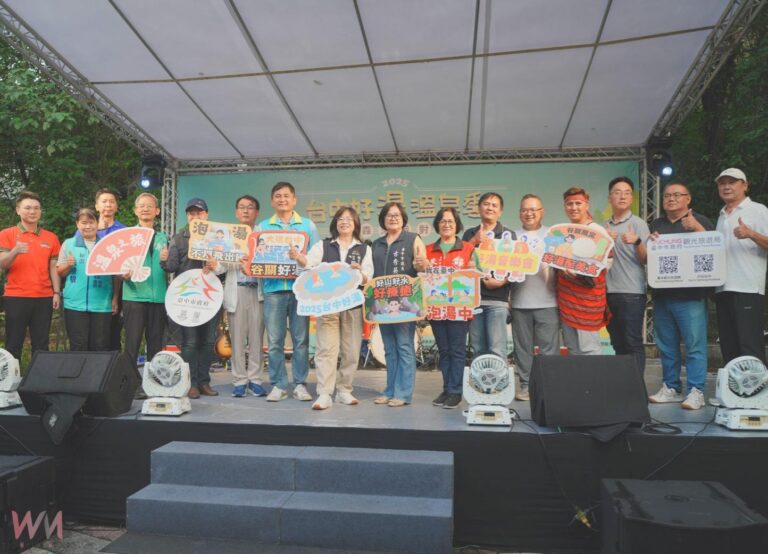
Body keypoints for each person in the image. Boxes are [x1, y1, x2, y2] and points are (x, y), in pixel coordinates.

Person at [294, 206, 373, 410]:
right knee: (326, 350)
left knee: (351, 350)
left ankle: (344, 390)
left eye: (348, 219)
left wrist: (359, 273)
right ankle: (324, 393)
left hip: (352, 305)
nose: (344, 222)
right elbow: (308, 264)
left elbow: (368, 278)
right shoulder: (324, 245)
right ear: (335, 223)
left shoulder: (364, 249)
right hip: (327, 305)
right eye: (340, 218)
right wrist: (298, 257)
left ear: (355, 224)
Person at [648, 182, 714, 410]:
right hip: (662, 294)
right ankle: (671, 387)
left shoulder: (700, 220)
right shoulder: (657, 224)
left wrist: (697, 228)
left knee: (695, 345)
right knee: (667, 346)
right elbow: (648, 256)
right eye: (667, 195)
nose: (671, 199)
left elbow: (713, 250)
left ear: (688, 198)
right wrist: (650, 242)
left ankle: (696, 391)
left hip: (691, 296)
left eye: (677, 195)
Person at [257, 182, 320, 402]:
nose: (282, 199)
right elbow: (255, 257)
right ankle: (278, 385)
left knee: (301, 340)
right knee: (274, 341)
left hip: (300, 290)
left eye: (286, 196)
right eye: (278, 196)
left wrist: (302, 259)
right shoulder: (262, 227)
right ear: (272, 201)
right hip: (273, 289)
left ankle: (300, 384)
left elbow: (316, 257)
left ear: (294, 200)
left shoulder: (308, 226)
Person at [161, 198, 224, 399]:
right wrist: (164, 260)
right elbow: (171, 267)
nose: (195, 216)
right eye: (191, 213)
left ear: (206, 215)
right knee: (189, 342)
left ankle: (204, 382)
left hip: (211, 297)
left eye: (199, 213)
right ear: (187, 216)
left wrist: (216, 266)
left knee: (208, 340)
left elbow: (225, 269)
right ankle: (191, 383)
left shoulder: (218, 237)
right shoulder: (179, 238)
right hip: (187, 298)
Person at [371, 202, 429, 407]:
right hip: (382, 303)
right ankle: (389, 390)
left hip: (406, 302)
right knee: (389, 348)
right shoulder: (376, 244)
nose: (393, 218)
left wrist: (422, 264)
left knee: (404, 346)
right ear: (383, 220)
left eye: (397, 215)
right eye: (389, 215)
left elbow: (423, 266)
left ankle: (403, 393)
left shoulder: (413, 239)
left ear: (403, 219)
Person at [714, 168, 768, 364]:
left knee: (749, 345)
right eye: (722, 183)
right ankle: (734, 384)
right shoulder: (722, 214)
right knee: (729, 345)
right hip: (722, 288)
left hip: (747, 288)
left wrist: (751, 234)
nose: (726, 187)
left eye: (732, 182)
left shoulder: (758, 210)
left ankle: (757, 384)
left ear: (744, 185)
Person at [426, 207, 478, 409]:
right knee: (444, 350)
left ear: (457, 225)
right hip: (437, 308)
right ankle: (447, 388)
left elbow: (479, 273)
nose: (446, 224)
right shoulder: (428, 250)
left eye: (451, 221)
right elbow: (421, 275)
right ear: (437, 224)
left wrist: (474, 269)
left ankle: (456, 391)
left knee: (457, 350)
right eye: (443, 221)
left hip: (459, 309)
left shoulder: (468, 249)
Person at [0, 191, 61, 361]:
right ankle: (12, 376)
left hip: (44, 297)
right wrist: (15, 251)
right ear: (18, 210)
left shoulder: (51, 237)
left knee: (41, 344)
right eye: (27, 208)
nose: (32, 211)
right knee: (13, 343)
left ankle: (38, 377)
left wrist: (56, 292)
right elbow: (2, 264)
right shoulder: (6, 234)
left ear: (40, 211)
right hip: (16, 296)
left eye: (36, 208)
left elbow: (53, 267)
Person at [510, 194, 559, 401]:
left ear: (542, 212)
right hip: (520, 301)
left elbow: (562, 264)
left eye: (533, 209)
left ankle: (550, 386)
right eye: (524, 210)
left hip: (548, 301)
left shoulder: (553, 234)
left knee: (549, 348)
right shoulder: (512, 236)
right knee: (522, 349)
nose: (528, 213)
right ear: (519, 213)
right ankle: (526, 385)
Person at [556, 187, 610, 355]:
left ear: (587, 205)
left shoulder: (598, 231)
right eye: (569, 204)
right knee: (573, 349)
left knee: (590, 349)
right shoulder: (563, 232)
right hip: (567, 298)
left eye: (578, 203)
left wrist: (581, 273)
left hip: (588, 301)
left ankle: (593, 375)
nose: (573, 207)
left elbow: (606, 262)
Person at [121, 193, 169, 384]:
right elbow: (118, 265)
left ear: (157, 211)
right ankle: (130, 384)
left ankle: (153, 383)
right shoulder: (127, 236)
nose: (145, 209)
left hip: (158, 297)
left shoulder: (164, 237)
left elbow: (169, 266)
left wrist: (167, 260)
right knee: (132, 343)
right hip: (134, 296)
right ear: (135, 211)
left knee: (156, 343)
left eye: (149, 206)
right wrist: (122, 274)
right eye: (141, 206)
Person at [604, 177, 650, 373]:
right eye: (617, 192)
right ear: (610, 198)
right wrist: (604, 242)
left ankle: (636, 386)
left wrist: (637, 241)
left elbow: (646, 259)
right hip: (607, 294)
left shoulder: (638, 224)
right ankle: (623, 383)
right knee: (617, 343)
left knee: (632, 342)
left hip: (632, 293)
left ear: (631, 198)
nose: (622, 196)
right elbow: (596, 261)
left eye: (627, 193)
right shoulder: (603, 227)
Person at [462, 192, 515, 360]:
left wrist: (501, 282)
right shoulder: (469, 234)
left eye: (494, 205)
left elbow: (517, 267)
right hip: (473, 300)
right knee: (478, 349)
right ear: (479, 208)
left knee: (497, 349)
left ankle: (498, 379)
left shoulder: (508, 235)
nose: (490, 208)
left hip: (497, 300)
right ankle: (481, 379)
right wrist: (474, 241)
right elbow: (459, 261)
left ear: (500, 211)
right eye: (486, 204)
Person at [57, 208, 117, 351]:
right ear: (77, 224)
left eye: (91, 222)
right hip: (74, 304)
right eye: (84, 223)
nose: (88, 226)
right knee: (78, 345)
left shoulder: (108, 245)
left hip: (101, 304)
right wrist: (68, 265)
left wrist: (115, 298)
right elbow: (59, 272)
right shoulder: (69, 244)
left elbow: (116, 274)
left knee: (100, 346)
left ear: (97, 223)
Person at [226, 195, 267, 398]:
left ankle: (256, 379)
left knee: (257, 338)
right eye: (241, 207)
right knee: (237, 339)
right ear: (236, 212)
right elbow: (220, 266)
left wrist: (253, 263)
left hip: (258, 291)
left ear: (256, 212)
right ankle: (240, 380)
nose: (245, 211)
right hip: (238, 290)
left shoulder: (264, 235)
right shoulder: (228, 236)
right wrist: (234, 261)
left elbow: (269, 262)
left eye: (250, 207)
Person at [93, 188, 127, 351]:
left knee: (113, 334)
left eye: (111, 202)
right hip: (92, 289)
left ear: (116, 206)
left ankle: (113, 365)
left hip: (115, 287)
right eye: (104, 201)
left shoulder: (124, 231)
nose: (108, 205)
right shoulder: (87, 228)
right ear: (97, 206)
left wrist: (115, 296)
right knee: (92, 335)